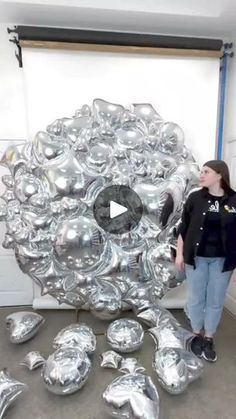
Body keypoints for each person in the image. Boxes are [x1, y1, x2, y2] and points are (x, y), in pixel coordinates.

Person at [175, 160, 236, 362]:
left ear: (219, 175)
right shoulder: (195, 198)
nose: (201, 175)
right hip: (196, 258)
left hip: (222, 260)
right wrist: (180, 254)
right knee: (196, 298)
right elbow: (183, 228)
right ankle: (196, 334)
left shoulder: (234, 200)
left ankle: (208, 337)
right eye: (201, 171)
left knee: (215, 300)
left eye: (206, 171)